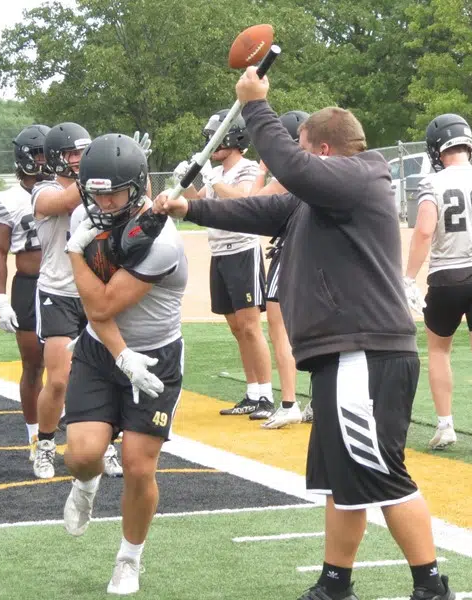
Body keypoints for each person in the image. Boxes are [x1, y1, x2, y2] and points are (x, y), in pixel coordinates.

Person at [154, 69, 455, 600]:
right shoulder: (320, 196)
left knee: (383, 473)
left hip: (366, 351)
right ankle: (333, 584)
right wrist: (190, 207)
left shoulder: (362, 174)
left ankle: (432, 587)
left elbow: (292, 171)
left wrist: (255, 106)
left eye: (300, 152)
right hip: (343, 355)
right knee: (346, 479)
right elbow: (262, 208)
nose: (291, 164)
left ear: (320, 149)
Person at [61, 133, 187, 595]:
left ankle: (128, 559)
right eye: (95, 192)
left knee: (137, 465)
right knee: (82, 455)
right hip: (101, 351)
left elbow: (105, 303)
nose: (103, 202)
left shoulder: (163, 242)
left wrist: (74, 252)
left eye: (113, 192)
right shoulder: (83, 215)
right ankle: (87, 486)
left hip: (154, 355)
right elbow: (95, 316)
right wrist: (118, 354)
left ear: (139, 187)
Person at [403, 114, 472, 456]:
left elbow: (424, 231)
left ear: (437, 150)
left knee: (439, 350)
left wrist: (408, 277)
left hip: (446, 277)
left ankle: (446, 425)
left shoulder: (432, 184)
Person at [30, 122, 122, 480]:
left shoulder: (100, 189)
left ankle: (107, 444)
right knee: (58, 379)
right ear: (56, 159)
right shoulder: (44, 191)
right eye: (74, 154)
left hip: (95, 292)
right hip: (58, 292)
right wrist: (107, 174)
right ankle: (46, 443)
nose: (81, 160)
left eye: (85, 153)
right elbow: (67, 201)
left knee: (109, 374)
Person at [172, 109, 274, 420]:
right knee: (235, 327)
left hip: (242, 251)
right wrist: (185, 181)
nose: (210, 145)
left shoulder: (245, 168)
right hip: (220, 252)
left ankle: (266, 395)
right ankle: (252, 391)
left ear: (234, 139)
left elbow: (243, 200)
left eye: (215, 139)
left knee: (250, 326)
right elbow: (201, 202)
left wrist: (215, 180)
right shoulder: (218, 174)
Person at [249, 110, 312, 428]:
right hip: (323, 256)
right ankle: (318, 400)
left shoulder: (288, 176)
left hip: (291, 254)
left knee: (279, 328)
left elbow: (253, 204)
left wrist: (262, 170)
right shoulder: (322, 170)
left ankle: (289, 402)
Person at [0, 124, 47, 460]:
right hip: (28, 285)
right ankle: (35, 438)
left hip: (65, 284)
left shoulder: (66, 190)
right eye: (40, 154)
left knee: (73, 363)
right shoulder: (8, 200)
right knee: (32, 364)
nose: (46, 160)